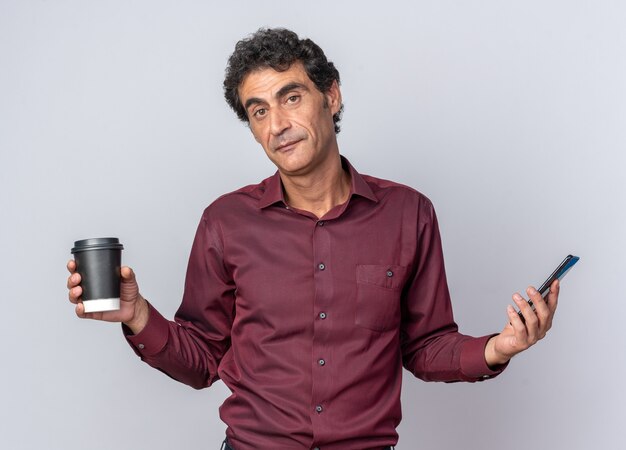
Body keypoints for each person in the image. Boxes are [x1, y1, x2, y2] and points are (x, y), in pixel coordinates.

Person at [66, 28, 558, 450]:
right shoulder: (226, 222)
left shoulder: (409, 214)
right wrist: (136, 315)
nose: (278, 124)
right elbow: (202, 360)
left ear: (332, 96)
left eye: (291, 97)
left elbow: (426, 346)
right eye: (258, 111)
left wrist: (499, 347)